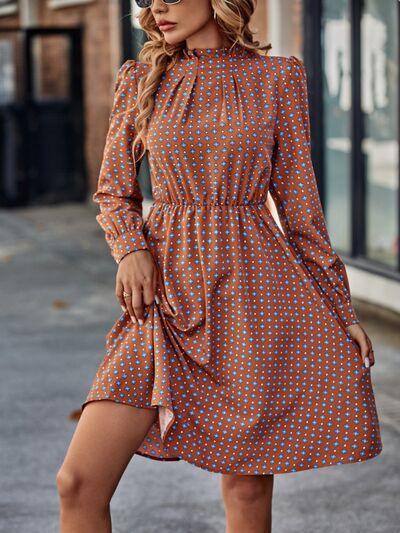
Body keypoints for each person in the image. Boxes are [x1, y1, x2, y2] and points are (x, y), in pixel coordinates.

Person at [56, 1, 383, 531]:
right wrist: (131, 248)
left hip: (254, 295)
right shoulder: (141, 78)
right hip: (161, 298)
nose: (157, 6)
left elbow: (300, 209)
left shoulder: (278, 77)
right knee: (78, 483)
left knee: (247, 489)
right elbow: (114, 191)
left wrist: (340, 308)